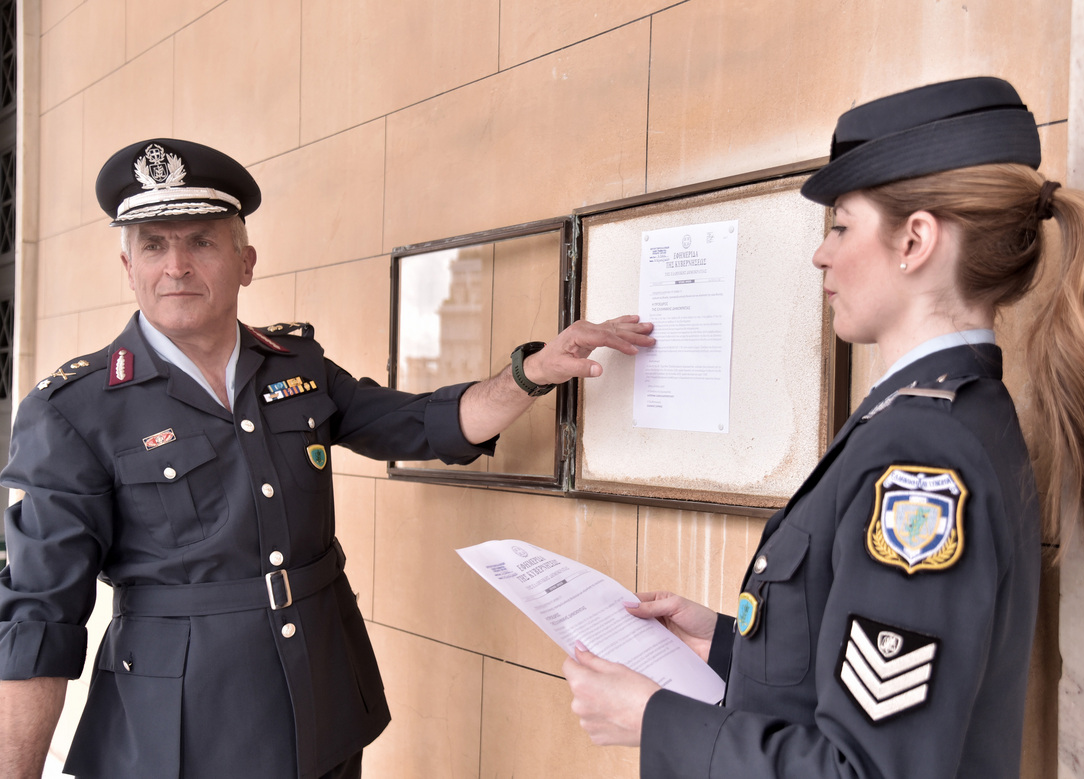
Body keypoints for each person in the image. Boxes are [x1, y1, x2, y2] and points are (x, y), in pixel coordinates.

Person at [562, 76, 1084, 777]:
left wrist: (653, 718)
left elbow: (870, 769)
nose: (822, 253)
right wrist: (730, 645)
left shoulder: (925, 457)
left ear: (915, 240)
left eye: (843, 226)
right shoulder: (938, 417)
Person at [0, 138, 655, 779]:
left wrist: (533, 371)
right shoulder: (75, 409)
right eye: (154, 245)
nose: (176, 266)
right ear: (129, 267)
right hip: (181, 732)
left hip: (320, 702)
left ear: (245, 259)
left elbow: (421, 424)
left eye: (200, 240)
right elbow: (36, 622)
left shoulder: (299, 369)